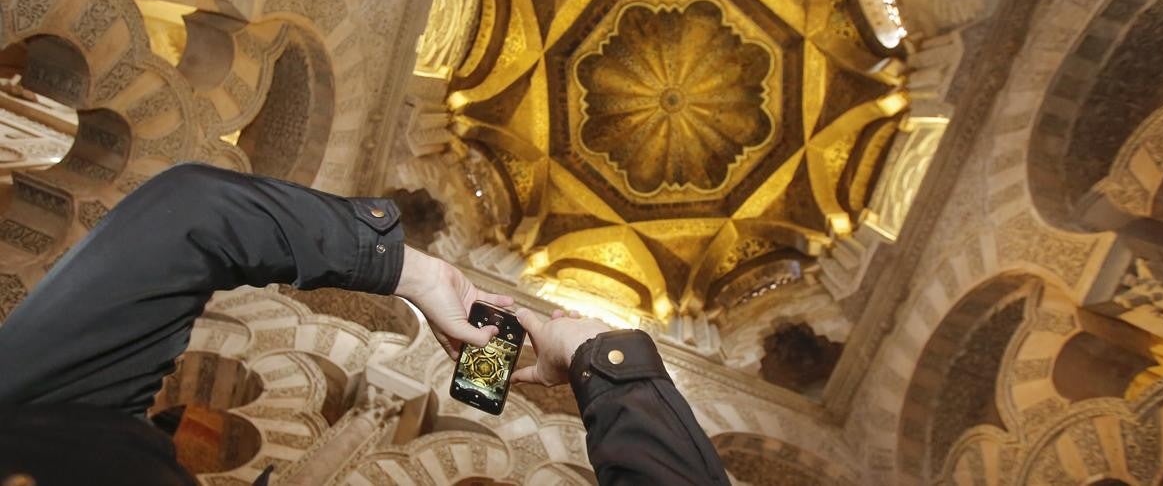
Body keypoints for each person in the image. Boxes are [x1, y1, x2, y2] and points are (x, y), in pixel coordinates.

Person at [0, 163, 729, 485]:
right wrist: (599, 361)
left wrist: (416, 274)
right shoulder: (57, 421)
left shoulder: (46, 419)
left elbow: (192, 214)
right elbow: (194, 215)